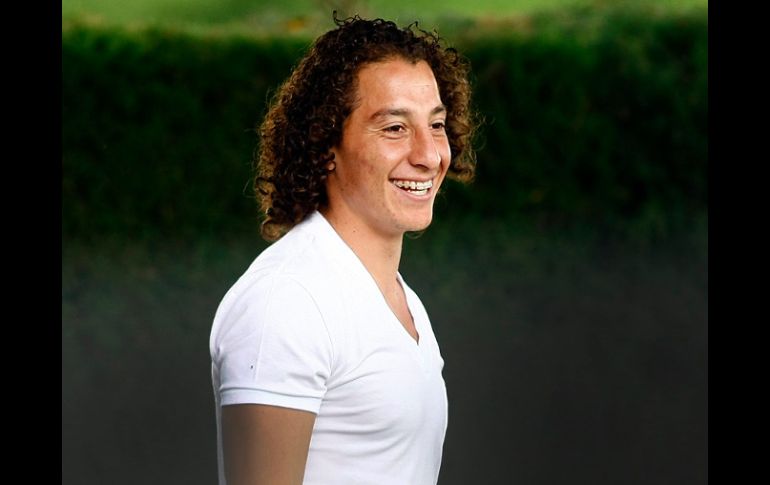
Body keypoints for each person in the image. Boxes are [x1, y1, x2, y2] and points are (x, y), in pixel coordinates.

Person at [209, 13, 477, 485]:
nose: (429, 154)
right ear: (325, 143)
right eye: (394, 128)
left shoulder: (401, 300)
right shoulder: (287, 301)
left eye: (436, 125)